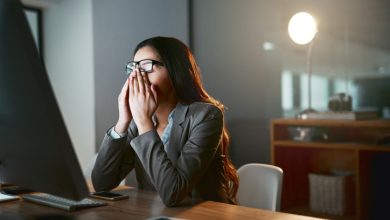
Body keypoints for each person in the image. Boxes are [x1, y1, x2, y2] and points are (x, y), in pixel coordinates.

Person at [92, 36, 238, 206]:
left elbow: (173, 194)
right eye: (134, 68)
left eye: (147, 66)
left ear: (174, 70)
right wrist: (122, 122)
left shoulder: (206, 116)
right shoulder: (138, 121)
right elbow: (101, 184)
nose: (138, 76)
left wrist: (144, 122)